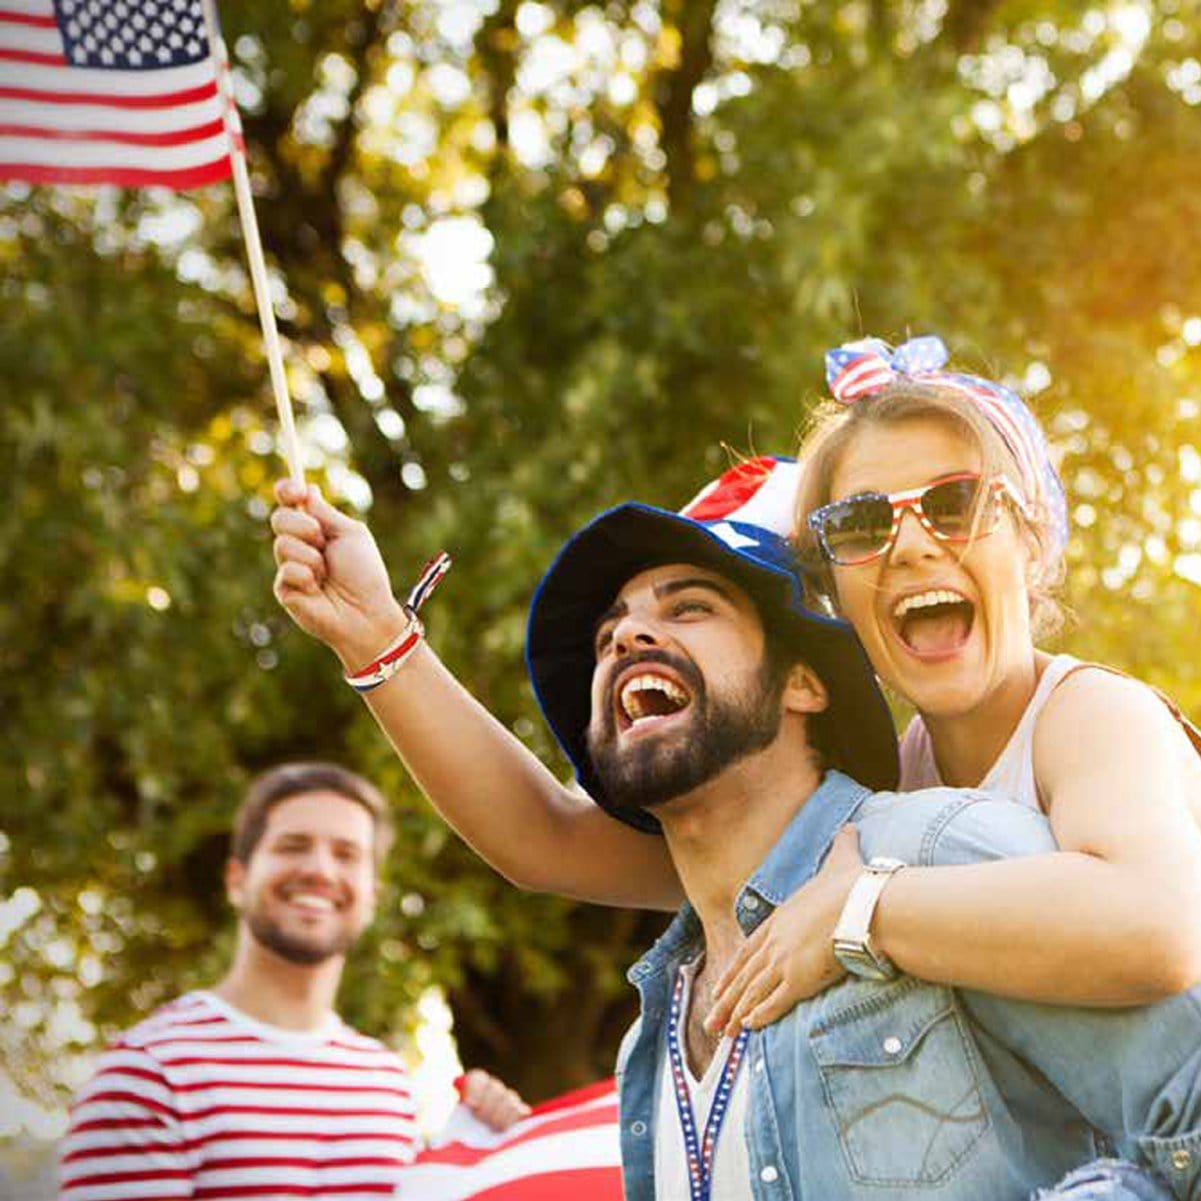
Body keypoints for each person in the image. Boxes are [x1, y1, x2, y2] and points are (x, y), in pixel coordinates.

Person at [275, 466, 1201, 1200]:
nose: (629, 638)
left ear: (804, 683)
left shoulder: (930, 849)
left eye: (688, 608)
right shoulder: (659, 1022)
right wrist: (374, 635)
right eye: (608, 636)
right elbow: (538, 836)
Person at [269, 328, 1201, 1037]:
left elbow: (1160, 929)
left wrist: (857, 908)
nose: (912, 541)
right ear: (833, 590)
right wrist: (376, 637)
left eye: (956, 504)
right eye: (861, 523)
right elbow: (546, 839)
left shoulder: (1089, 715)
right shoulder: (873, 798)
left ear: (1030, 539)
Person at [58, 762, 528, 1201]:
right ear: (236, 879)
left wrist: (492, 1145)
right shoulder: (149, 1072)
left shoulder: (385, 1082)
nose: (320, 870)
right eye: (293, 846)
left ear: (372, 897)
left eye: (346, 854)